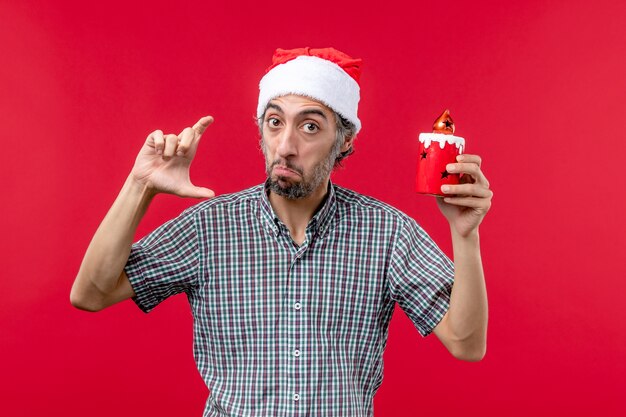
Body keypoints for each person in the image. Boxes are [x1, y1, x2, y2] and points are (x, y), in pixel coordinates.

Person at [71, 47, 492, 416]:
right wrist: (140, 186)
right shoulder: (210, 227)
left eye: (310, 126)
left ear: (344, 141)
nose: (286, 145)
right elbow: (91, 293)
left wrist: (465, 235)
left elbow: (466, 343)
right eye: (274, 122)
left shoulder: (387, 233)